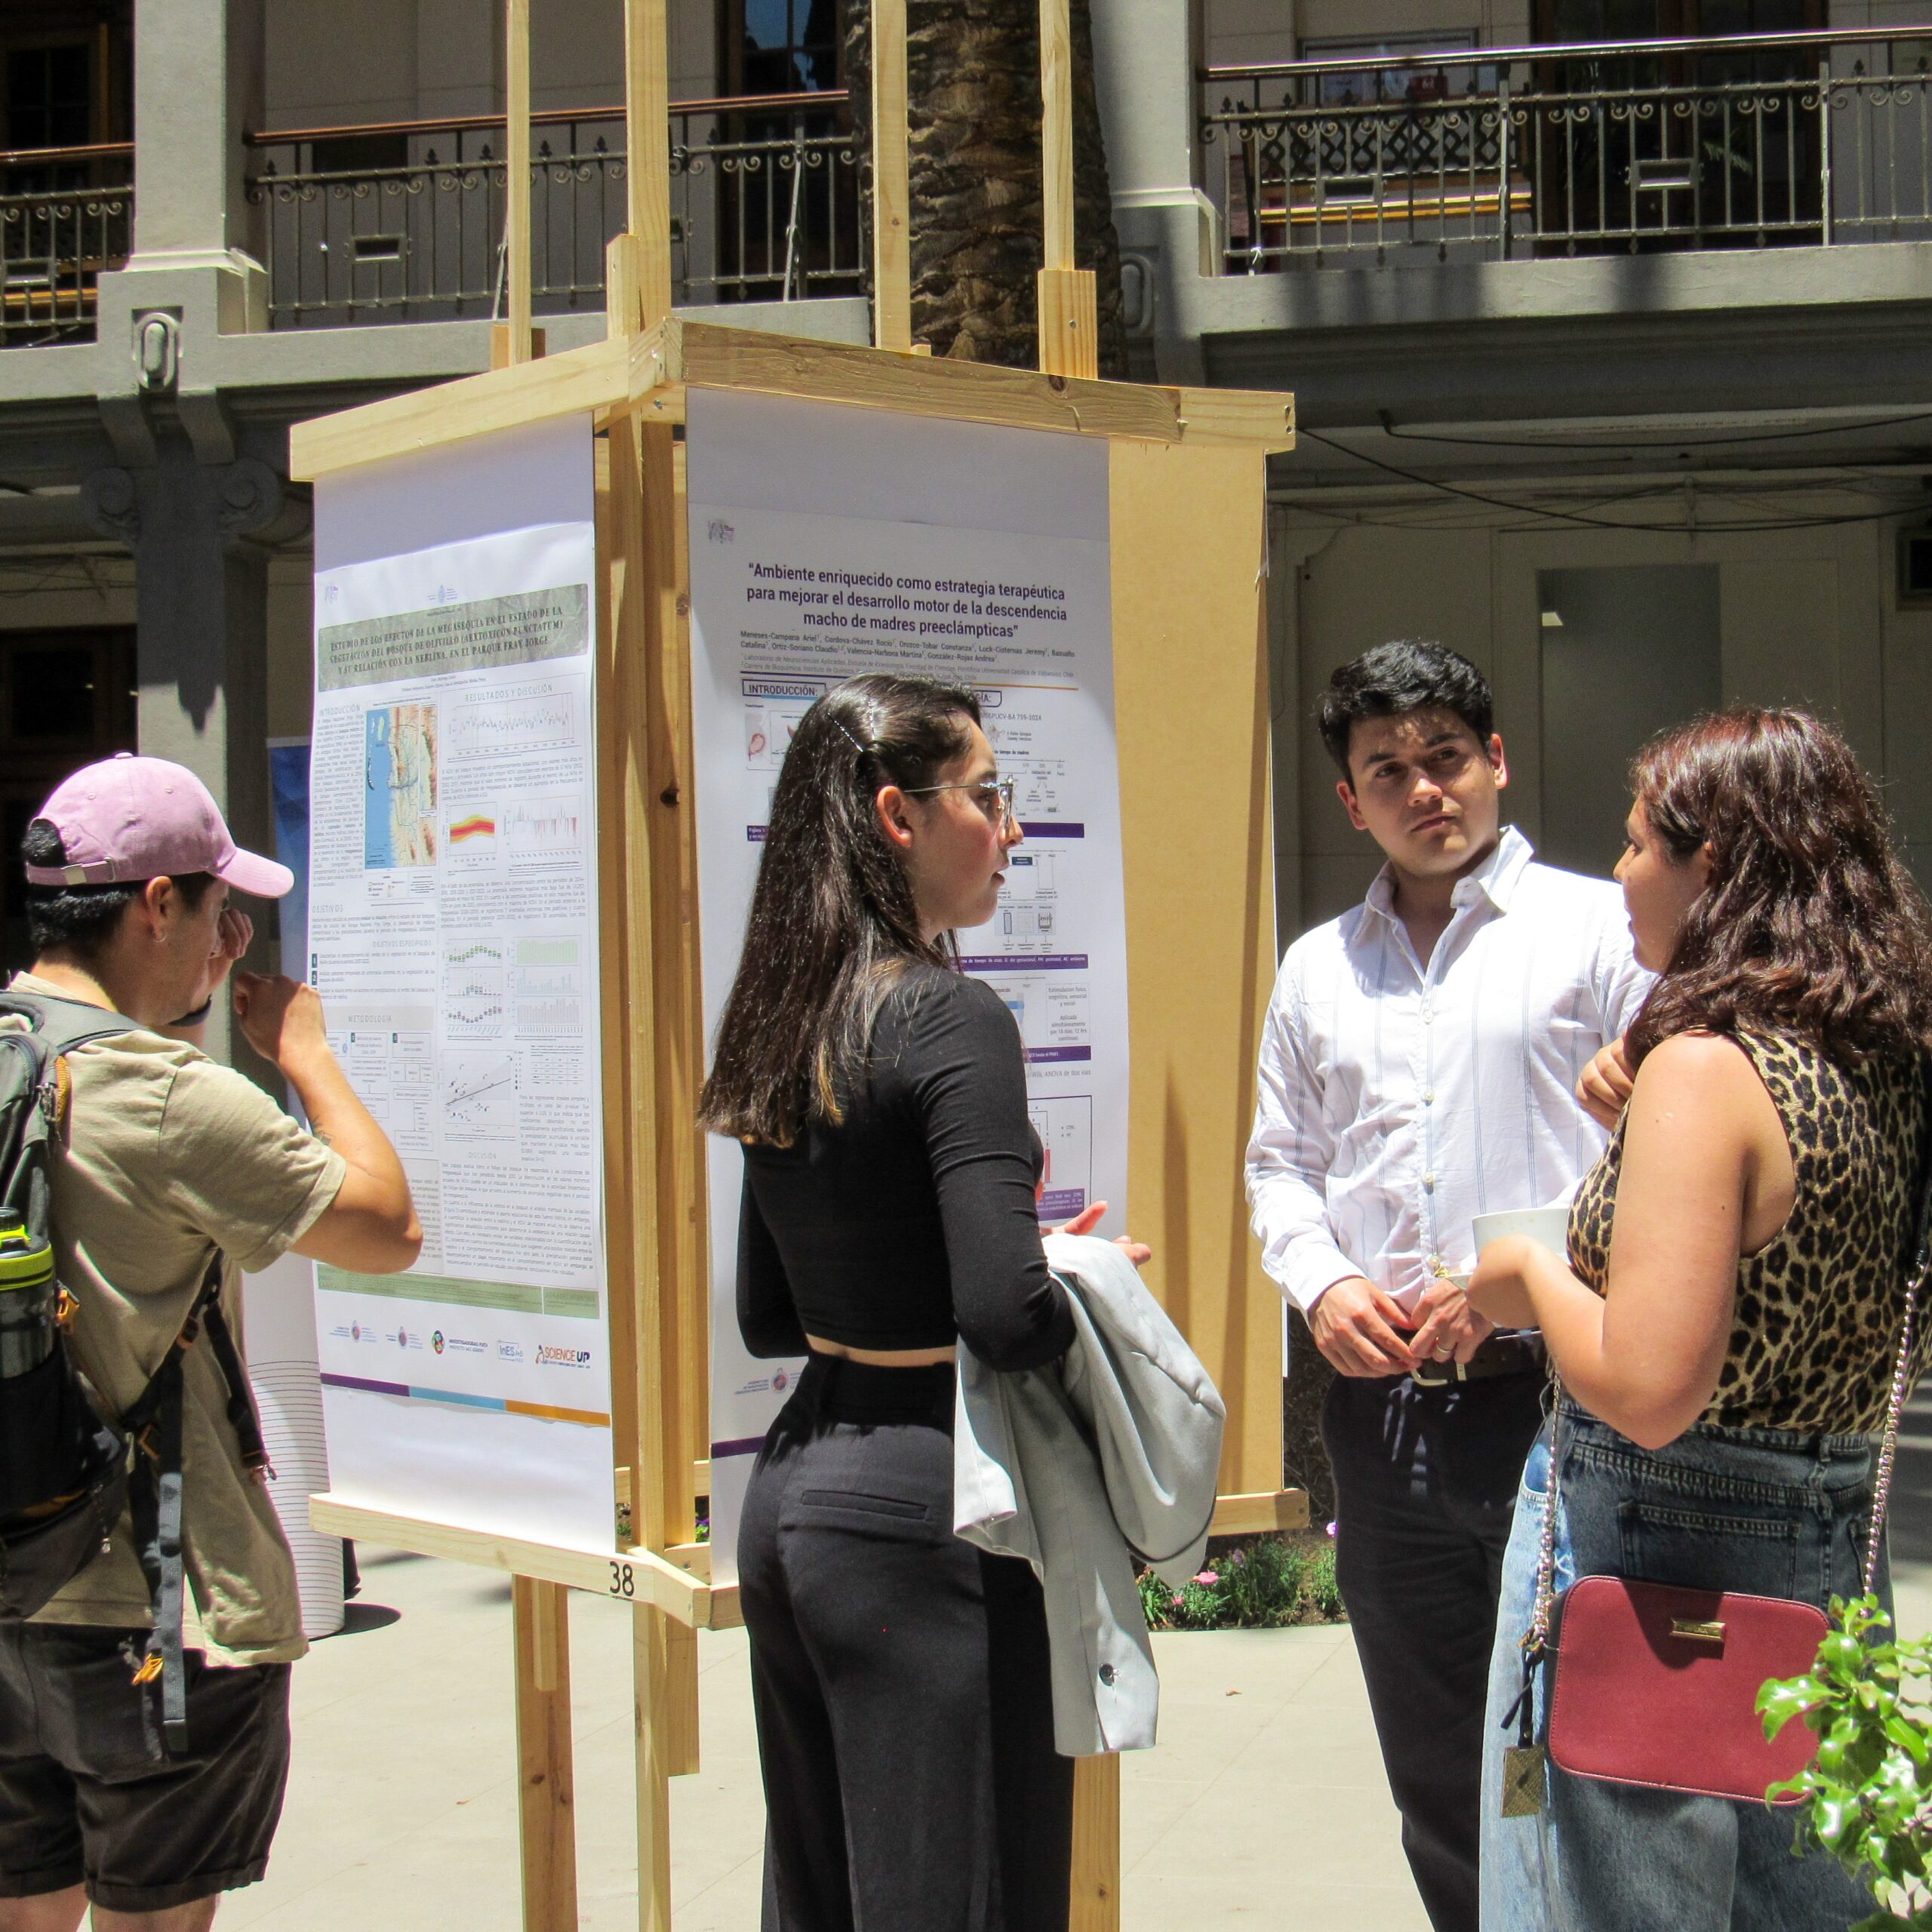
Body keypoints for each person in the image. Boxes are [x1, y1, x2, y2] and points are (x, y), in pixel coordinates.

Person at [1470, 709, 1932, 1932]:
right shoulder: (1887, 1063)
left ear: (1716, 865)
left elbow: (1651, 1381)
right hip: (1830, 1563)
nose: (1621, 873)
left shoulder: (1710, 1070)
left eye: (1637, 845)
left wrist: (1524, 1269)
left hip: (1642, 1552)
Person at [700, 672, 1143, 1932]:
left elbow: (769, 1315)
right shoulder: (952, 1018)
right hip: (929, 1506)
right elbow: (1005, 1316)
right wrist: (1082, 1283)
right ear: (899, 815)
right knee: (968, 1895)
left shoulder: (786, 1011)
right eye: (992, 795)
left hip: (796, 1496)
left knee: (828, 1895)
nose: (1013, 829)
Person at [1244, 641, 1649, 1932]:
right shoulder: (1317, 968)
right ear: (1351, 799)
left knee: (1582, 1756)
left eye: (1447, 759)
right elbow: (1280, 1167)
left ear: (1497, 764)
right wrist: (1319, 1285)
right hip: (1388, 1421)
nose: (1427, 790)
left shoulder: (1598, 928)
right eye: (1389, 770)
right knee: (1434, 1771)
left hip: (1562, 1407)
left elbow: (1666, 1151)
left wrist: (1528, 1279)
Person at [0, 753, 420, 1932]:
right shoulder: (165, 1093)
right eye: (219, 909)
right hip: (157, 1605)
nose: (229, 937)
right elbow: (386, 1225)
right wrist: (307, 1057)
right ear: (154, 906)